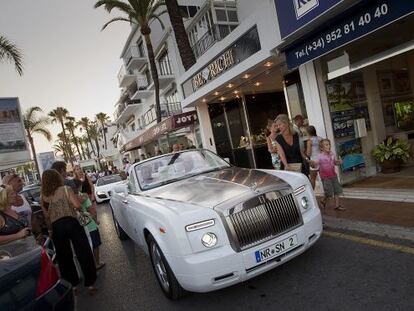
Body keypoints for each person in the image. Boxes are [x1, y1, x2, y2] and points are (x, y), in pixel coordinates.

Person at [41, 169, 97, 294]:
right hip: (72, 222)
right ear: (57, 178)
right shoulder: (66, 189)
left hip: (56, 227)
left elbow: (46, 217)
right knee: (83, 252)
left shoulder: (43, 197)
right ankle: (90, 284)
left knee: (64, 257)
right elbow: (77, 205)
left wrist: (50, 229)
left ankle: (73, 285)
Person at [73, 179, 105, 270]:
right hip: (90, 224)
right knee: (95, 245)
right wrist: (96, 220)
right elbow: (91, 210)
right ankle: (97, 263)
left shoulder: (69, 199)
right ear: (79, 187)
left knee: (85, 248)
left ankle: (89, 267)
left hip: (79, 227)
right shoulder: (83, 196)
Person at [312, 139, 345, 211]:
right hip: (325, 177)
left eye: (329, 144)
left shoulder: (332, 154)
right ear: (322, 148)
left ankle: (337, 205)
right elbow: (316, 165)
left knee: (337, 190)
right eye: (326, 145)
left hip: (333, 175)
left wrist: (339, 162)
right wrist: (313, 163)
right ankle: (323, 200)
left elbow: (335, 163)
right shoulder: (320, 156)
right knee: (329, 192)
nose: (328, 146)